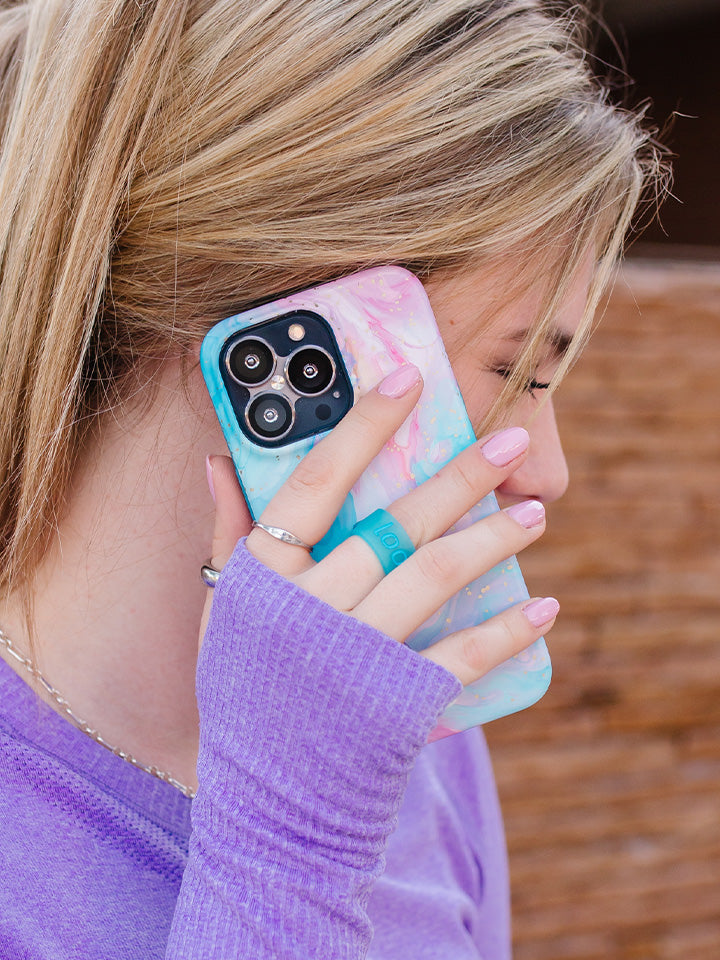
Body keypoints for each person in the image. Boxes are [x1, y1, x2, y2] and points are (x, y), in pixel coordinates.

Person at [0, 1, 661, 957]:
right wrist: (290, 844)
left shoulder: (396, 728)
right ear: (306, 325)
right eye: (523, 373)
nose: (547, 471)